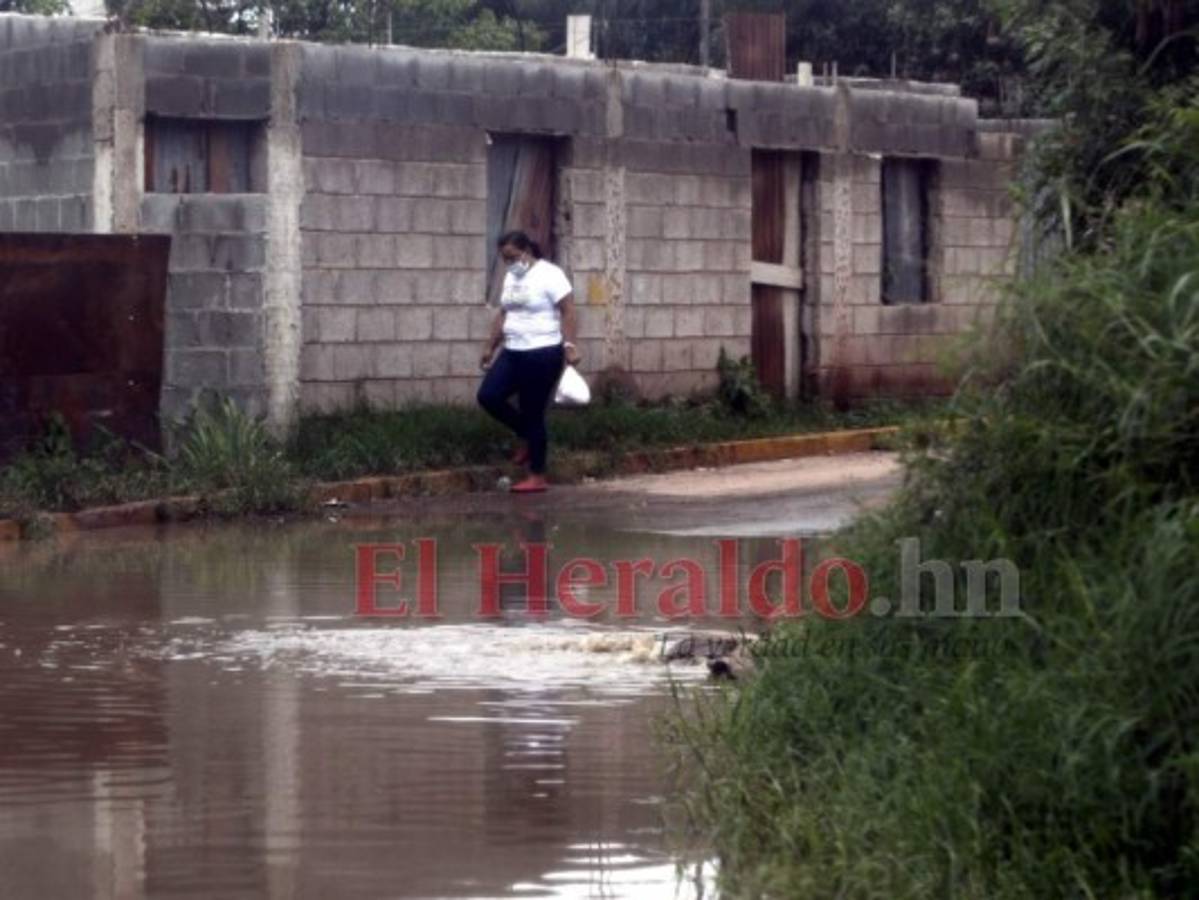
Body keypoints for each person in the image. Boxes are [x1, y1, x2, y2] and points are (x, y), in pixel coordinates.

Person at [477, 231, 581, 493]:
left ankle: (537, 474)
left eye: (512, 257)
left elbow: (568, 310)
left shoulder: (550, 274)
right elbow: (503, 313)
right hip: (513, 351)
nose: (509, 263)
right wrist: (490, 346)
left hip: (543, 352)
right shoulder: (511, 277)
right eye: (504, 259)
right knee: (489, 396)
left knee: (533, 412)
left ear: (526, 251)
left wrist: (570, 345)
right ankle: (526, 434)